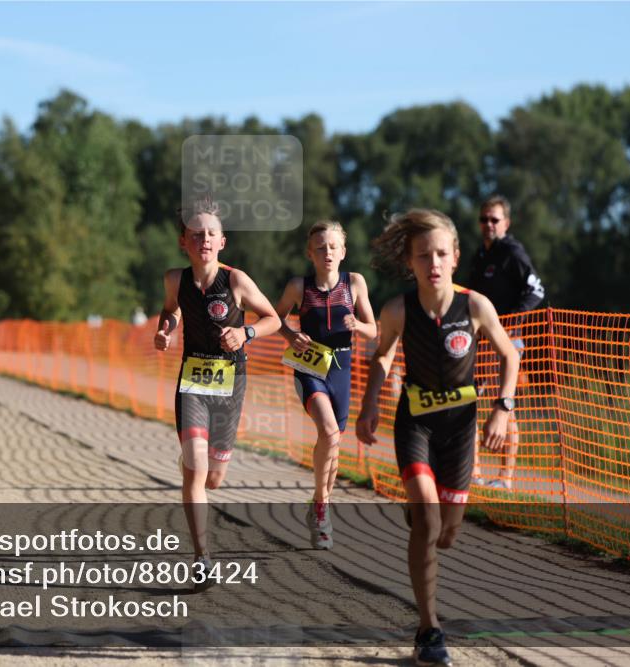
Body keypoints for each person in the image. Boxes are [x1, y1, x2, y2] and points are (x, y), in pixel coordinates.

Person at [356, 209, 519, 666]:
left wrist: (502, 409)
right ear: (410, 261)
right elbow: (383, 356)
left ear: (455, 257)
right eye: (423, 255)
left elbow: (509, 355)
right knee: (428, 524)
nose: (433, 263)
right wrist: (370, 404)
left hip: (461, 428)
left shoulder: (476, 306)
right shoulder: (397, 309)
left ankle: (424, 513)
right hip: (417, 423)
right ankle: (429, 630)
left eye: (441, 254)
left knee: (446, 533)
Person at [153, 195, 280, 591]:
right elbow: (171, 309)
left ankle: (196, 465)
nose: (203, 240)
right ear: (183, 242)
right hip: (192, 381)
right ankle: (202, 558)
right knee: (196, 468)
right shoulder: (174, 280)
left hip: (230, 383)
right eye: (195, 234)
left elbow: (274, 318)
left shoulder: (236, 281)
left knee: (214, 479)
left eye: (210, 234)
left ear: (222, 242)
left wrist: (246, 332)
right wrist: (165, 329)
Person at [274, 220, 377, 549]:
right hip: (310, 368)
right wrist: (291, 335)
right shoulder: (298, 287)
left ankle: (320, 503)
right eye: (320, 248)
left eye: (333, 247)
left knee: (333, 445)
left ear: (343, 251)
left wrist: (357, 324)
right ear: (310, 253)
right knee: (329, 433)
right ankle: (321, 509)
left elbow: (373, 330)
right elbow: (274, 317)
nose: (327, 252)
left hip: (341, 370)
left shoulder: (355, 283)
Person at [468, 195, 545, 490]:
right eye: (484, 219)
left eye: (494, 219)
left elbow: (536, 290)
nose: (488, 224)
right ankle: (473, 473)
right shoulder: (480, 255)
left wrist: (508, 323)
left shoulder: (512, 252)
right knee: (468, 403)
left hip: (507, 342)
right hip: (479, 342)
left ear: (506, 223)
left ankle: (505, 478)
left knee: (504, 404)